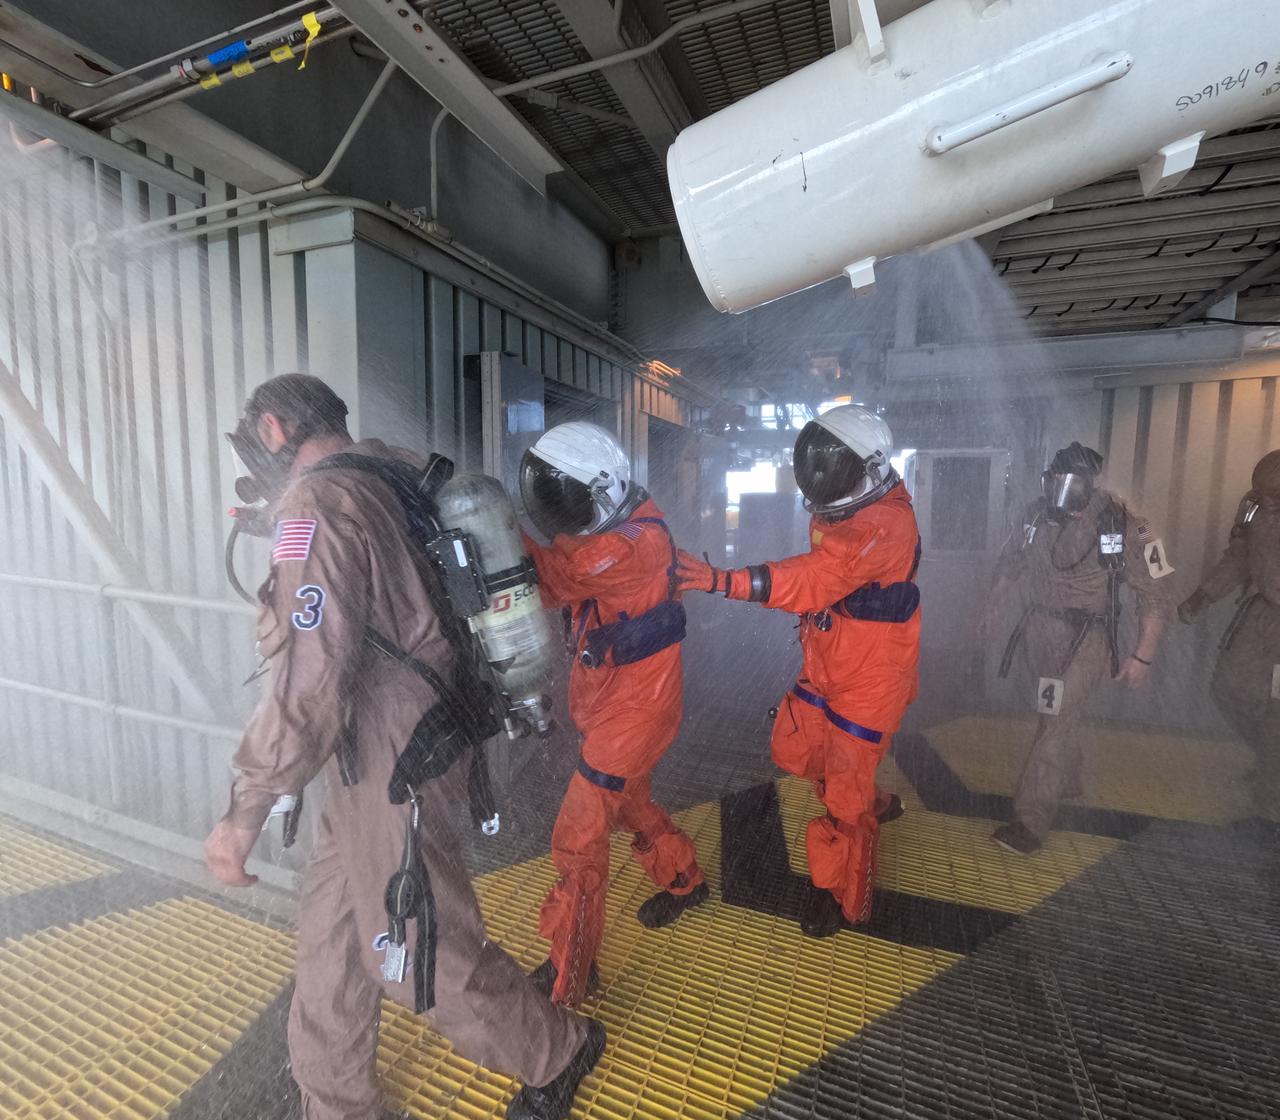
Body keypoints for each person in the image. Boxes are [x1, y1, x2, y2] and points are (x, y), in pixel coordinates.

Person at [203, 374, 603, 1120]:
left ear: (272, 433)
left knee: (418, 949)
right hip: (394, 748)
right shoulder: (394, 467)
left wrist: (246, 808)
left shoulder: (315, 505)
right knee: (333, 939)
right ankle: (339, 1102)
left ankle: (559, 1048)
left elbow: (309, 671)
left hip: (396, 758)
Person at [676, 404, 920, 939]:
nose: (825, 480)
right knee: (795, 748)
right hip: (830, 662)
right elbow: (820, 578)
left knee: (842, 800)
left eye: (837, 469)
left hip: (871, 678)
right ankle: (872, 799)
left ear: (873, 467)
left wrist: (724, 580)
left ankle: (841, 896)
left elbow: (818, 578)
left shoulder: (888, 524)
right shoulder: (843, 509)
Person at [518, 421, 709, 1007]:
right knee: (633, 804)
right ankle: (685, 881)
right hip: (621, 708)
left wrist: (495, 534)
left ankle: (570, 975)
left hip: (634, 716)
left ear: (601, 493)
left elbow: (554, 579)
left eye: (563, 502)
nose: (555, 515)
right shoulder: (617, 525)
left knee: (578, 841)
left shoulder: (631, 545)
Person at [982, 442, 1174, 856]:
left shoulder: (1127, 524)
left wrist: (1143, 655)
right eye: (1056, 479)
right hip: (1040, 632)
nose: (1061, 489)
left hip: (1088, 637)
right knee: (1052, 714)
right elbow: (1011, 563)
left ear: (1091, 483)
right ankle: (1067, 779)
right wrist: (992, 609)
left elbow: (1156, 592)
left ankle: (1029, 822)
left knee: (1056, 721)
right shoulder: (1035, 515)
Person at [1178, 449, 1280, 828]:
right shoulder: (1253, 508)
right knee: (1226, 689)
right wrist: (1202, 597)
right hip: (1260, 617)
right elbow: (1238, 558)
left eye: (1275, 497)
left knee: (1277, 717)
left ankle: (1269, 813)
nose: (1266, 501)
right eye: (1262, 494)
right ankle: (1272, 760)